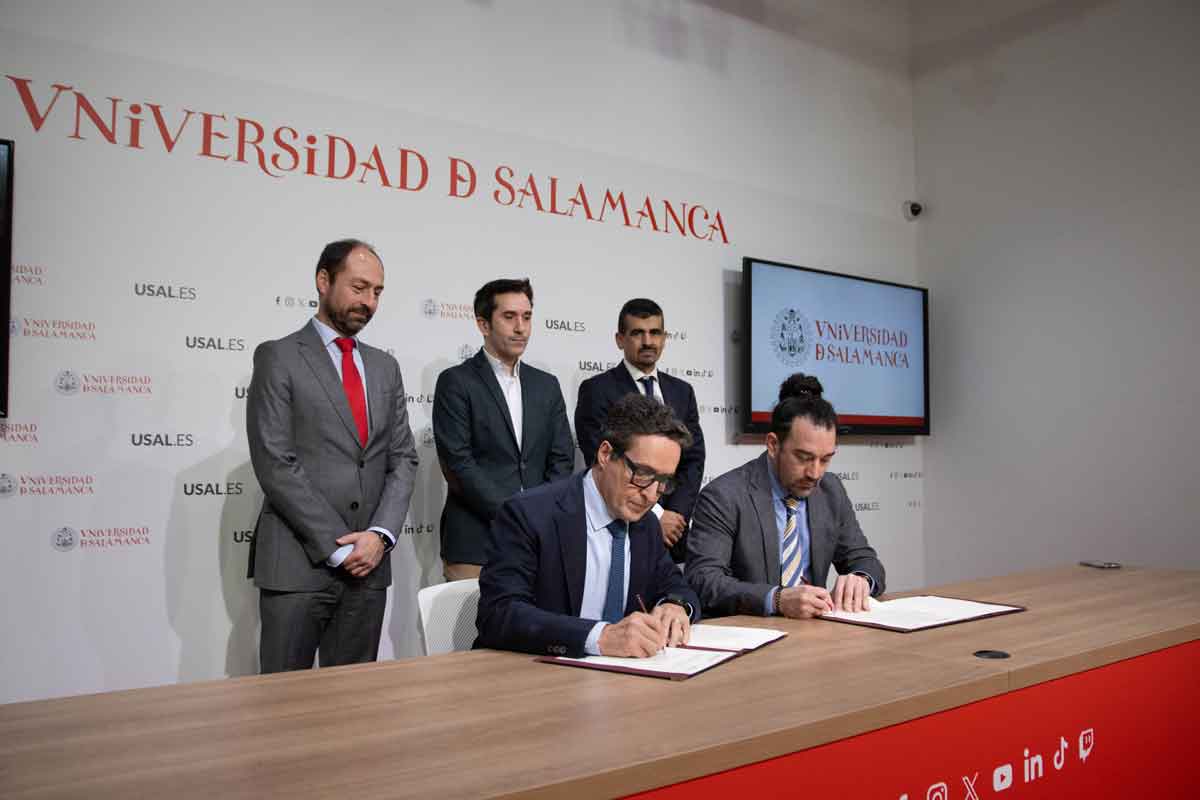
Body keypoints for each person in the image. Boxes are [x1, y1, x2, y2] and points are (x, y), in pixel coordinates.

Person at [246, 238, 419, 672]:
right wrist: (338, 548)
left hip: (370, 568)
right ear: (323, 281)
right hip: (298, 567)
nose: (369, 301)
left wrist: (379, 536)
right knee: (283, 710)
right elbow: (275, 462)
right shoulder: (278, 357)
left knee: (355, 713)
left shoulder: (385, 367)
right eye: (359, 287)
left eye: (377, 292)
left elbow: (403, 458)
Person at [476, 394, 701, 658]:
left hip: (620, 683)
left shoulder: (646, 525)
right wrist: (599, 637)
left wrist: (675, 606)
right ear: (605, 454)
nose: (652, 495)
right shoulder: (529, 515)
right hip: (530, 675)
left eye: (663, 480)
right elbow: (500, 614)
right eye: (642, 474)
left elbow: (676, 585)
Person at [686, 374, 885, 618]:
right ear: (772, 444)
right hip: (751, 635)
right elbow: (703, 579)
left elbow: (865, 560)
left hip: (815, 634)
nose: (815, 473)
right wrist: (775, 599)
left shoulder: (831, 490)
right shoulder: (724, 496)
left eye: (826, 459)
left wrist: (861, 579)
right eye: (803, 457)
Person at [433, 278, 575, 581]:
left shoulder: (546, 386)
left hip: (541, 543)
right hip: (476, 545)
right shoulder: (456, 382)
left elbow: (561, 459)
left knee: (540, 629)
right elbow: (459, 464)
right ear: (484, 324)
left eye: (527, 316)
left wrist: (542, 517)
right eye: (509, 317)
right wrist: (518, 516)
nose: (521, 327)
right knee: (472, 630)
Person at [574, 298, 705, 562]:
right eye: (637, 333)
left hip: (674, 536)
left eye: (655, 332)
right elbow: (603, 461)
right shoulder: (597, 390)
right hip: (621, 528)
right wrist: (656, 515)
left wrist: (675, 515)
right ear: (620, 339)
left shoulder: (682, 391)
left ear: (665, 338)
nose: (648, 341)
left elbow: (693, 458)